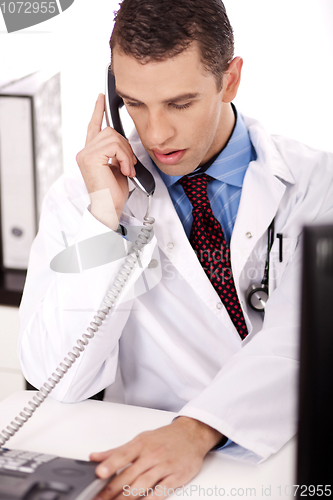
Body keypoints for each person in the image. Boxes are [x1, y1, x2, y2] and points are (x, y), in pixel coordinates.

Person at [18, 0, 333, 498]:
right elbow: (59, 380)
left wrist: (197, 429)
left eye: (179, 103)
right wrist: (104, 218)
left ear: (230, 80)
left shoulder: (316, 183)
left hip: (285, 456)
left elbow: (305, 344)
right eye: (134, 104)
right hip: (143, 461)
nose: (156, 133)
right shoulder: (86, 196)